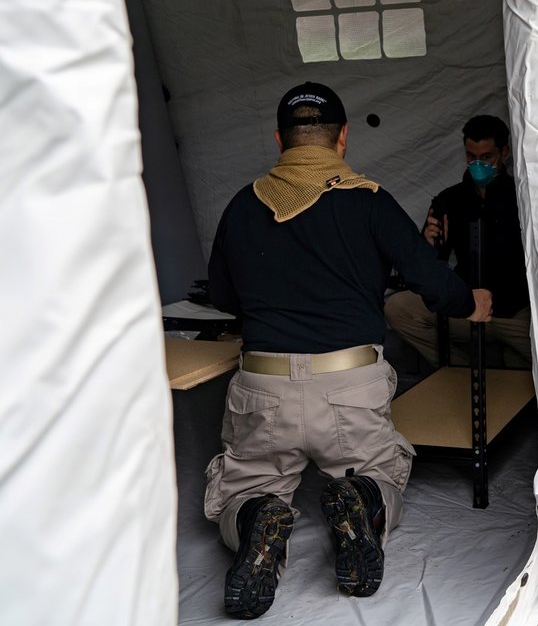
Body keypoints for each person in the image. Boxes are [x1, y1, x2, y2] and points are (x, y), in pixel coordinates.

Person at [205, 82, 492, 619]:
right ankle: (361, 501)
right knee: (380, 473)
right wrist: (468, 301)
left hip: (263, 386)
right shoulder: (369, 200)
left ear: (279, 140)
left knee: (243, 485)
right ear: (342, 138)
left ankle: (259, 516)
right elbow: (430, 280)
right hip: (349, 385)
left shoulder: (243, 204)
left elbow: (221, 296)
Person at [385, 115, 532, 369]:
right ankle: (460, 371)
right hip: (468, 306)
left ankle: (509, 369)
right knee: (398, 307)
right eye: (471, 156)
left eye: (486, 157)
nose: (477, 164)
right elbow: (428, 270)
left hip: (517, 312)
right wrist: (427, 244)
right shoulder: (450, 199)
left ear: (504, 152)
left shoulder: (523, 196)